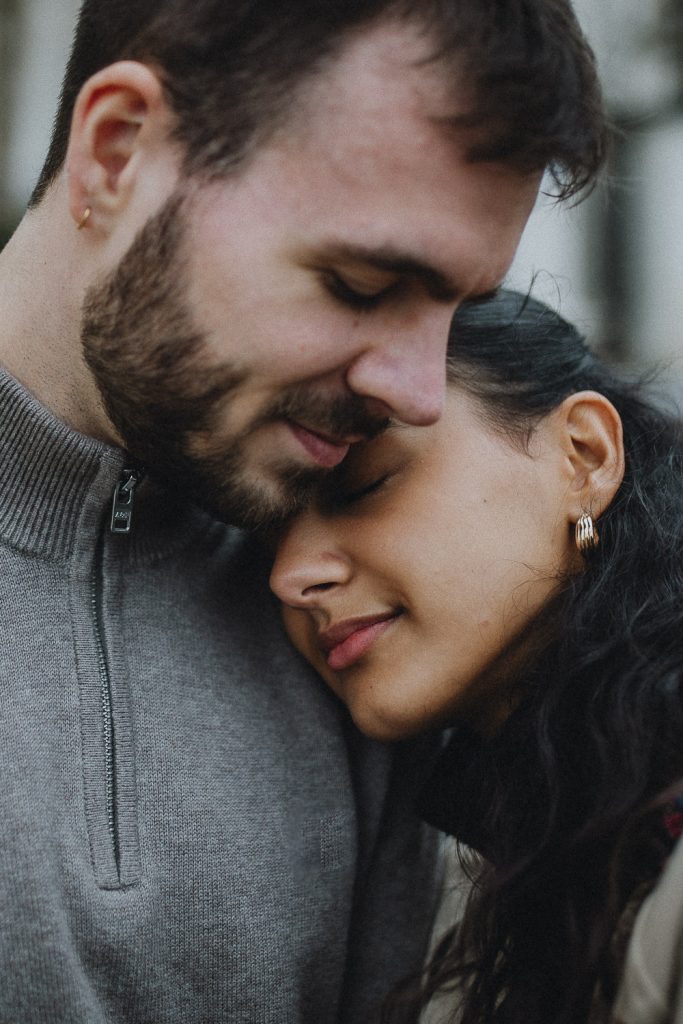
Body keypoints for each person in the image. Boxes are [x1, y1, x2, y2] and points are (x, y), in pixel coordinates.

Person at [0, 2, 606, 1021]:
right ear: (117, 151)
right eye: (360, 283)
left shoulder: (359, 624)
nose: (416, 392)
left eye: (454, 309)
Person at [271, 290, 683, 1024]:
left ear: (582, 456)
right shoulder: (487, 855)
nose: (291, 577)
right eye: (264, 537)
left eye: (365, 483)